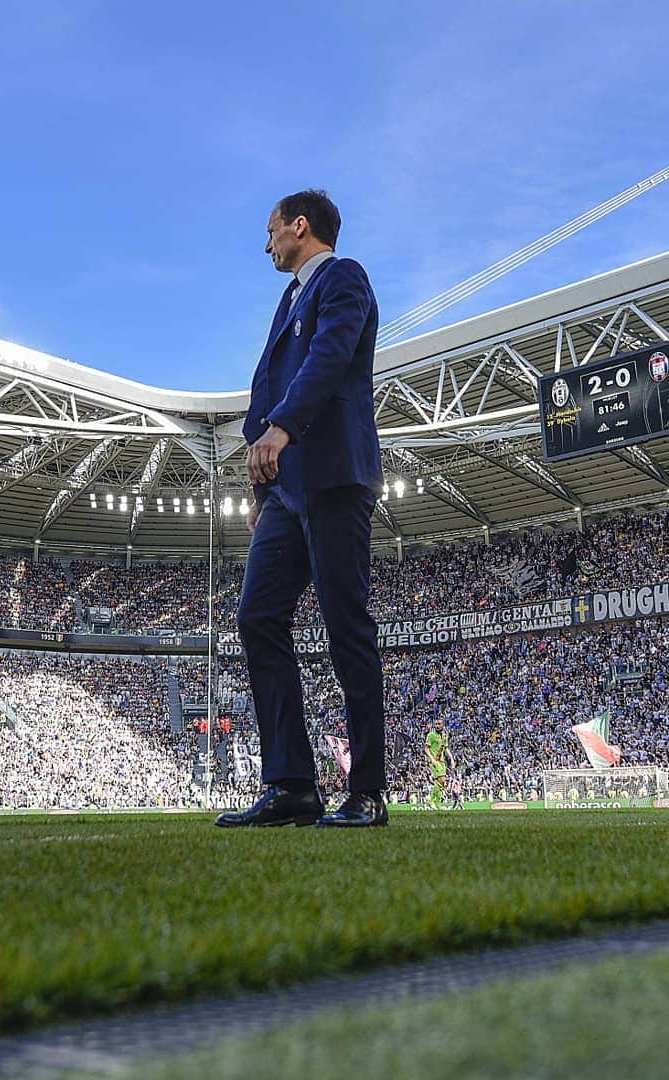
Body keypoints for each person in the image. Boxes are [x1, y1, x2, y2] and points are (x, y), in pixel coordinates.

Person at [217, 189, 386, 829]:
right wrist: (262, 491)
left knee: (346, 624)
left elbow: (330, 357)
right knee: (258, 617)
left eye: (270, 232)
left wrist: (284, 427)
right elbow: (266, 388)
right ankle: (292, 784)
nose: (266, 245)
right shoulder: (287, 300)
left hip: (335, 475)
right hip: (286, 490)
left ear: (300, 226)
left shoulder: (343, 279)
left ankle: (367, 791)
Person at [425, 719, 453, 809]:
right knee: (442, 780)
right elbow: (426, 748)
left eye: (439, 724)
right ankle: (431, 800)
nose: (437, 725)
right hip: (434, 761)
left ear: (443, 725)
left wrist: (452, 759)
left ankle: (437, 803)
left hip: (441, 761)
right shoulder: (431, 735)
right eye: (436, 724)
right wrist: (431, 759)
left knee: (443, 783)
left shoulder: (444, 736)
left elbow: (446, 749)